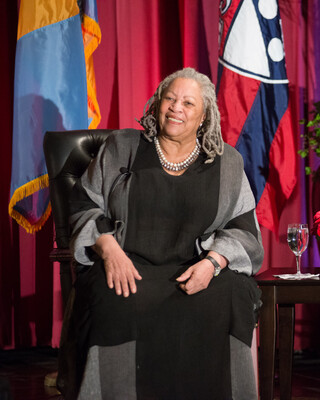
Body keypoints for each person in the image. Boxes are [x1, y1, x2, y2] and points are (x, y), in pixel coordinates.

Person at [68, 67, 264, 399]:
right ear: (157, 103)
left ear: (204, 117)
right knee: (115, 296)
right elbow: (83, 203)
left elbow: (245, 231)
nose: (176, 108)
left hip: (195, 269)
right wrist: (109, 249)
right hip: (128, 266)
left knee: (233, 293)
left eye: (188, 103)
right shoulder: (121, 147)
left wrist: (212, 264)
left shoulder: (227, 162)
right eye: (170, 99)